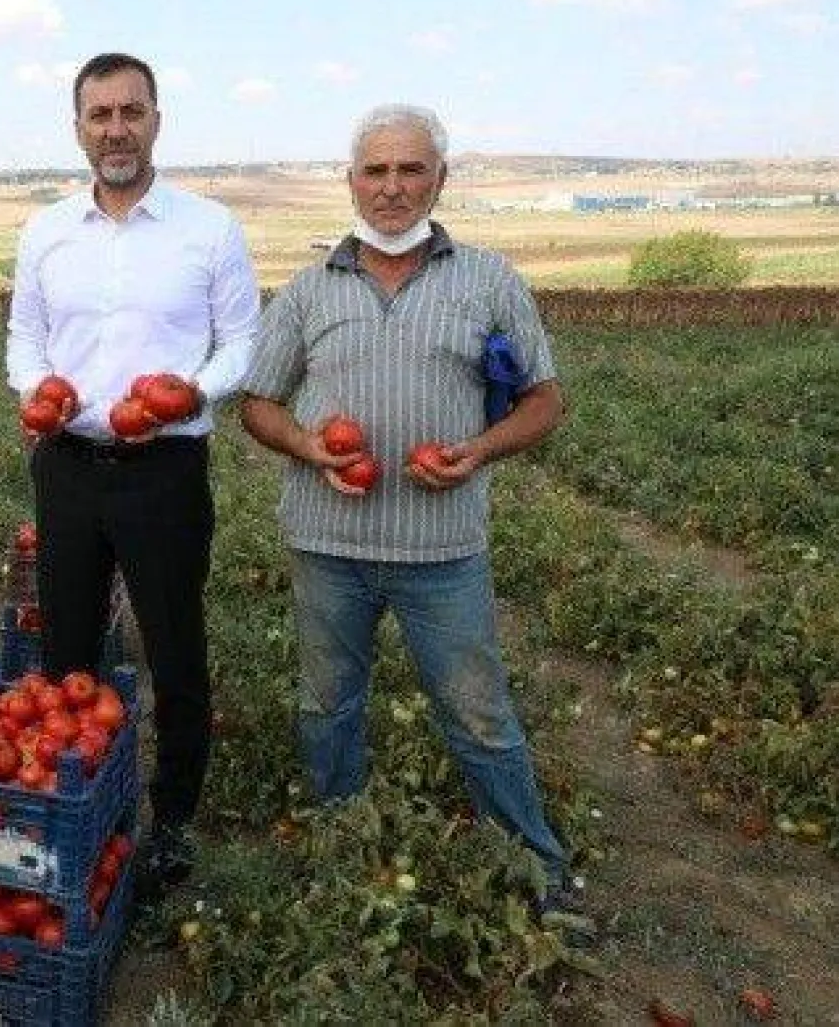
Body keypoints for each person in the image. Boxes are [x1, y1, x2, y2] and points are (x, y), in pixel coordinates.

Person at [236, 103, 592, 939]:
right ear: (350, 180)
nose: (391, 187)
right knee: (329, 704)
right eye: (375, 170)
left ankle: (537, 866)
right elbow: (257, 402)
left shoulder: (490, 278)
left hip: (442, 548)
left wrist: (479, 449)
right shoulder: (311, 288)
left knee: (478, 711)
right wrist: (303, 443)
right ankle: (338, 844)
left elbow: (545, 399)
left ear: (441, 178)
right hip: (328, 542)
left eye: (410, 170)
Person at [5, 52, 261, 896]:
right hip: (69, 463)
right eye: (99, 114)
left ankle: (174, 817)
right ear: (76, 126)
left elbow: (242, 344)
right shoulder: (45, 230)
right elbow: (23, 338)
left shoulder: (209, 228)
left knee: (174, 644)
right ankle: (81, 802)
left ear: (157, 118)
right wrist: (33, 387)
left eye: (131, 111)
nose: (116, 128)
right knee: (66, 646)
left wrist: (197, 388)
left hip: (166, 467)